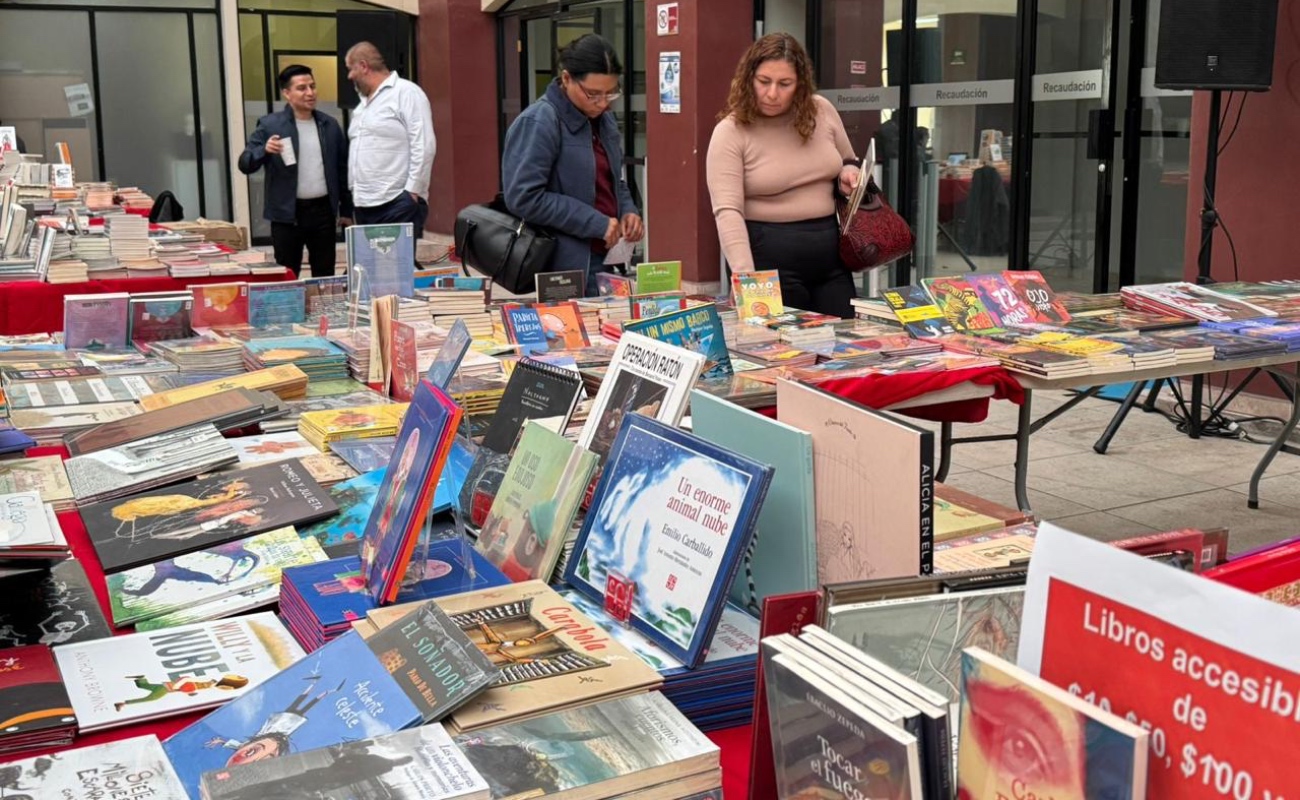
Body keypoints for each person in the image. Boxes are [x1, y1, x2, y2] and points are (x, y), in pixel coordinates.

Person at [706, 33, 861, 318]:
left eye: (785, 84)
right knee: (783, 355)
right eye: (764, 82)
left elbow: (848, 159)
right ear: (748, 78)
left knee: (845, 345)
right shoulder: (730, 132)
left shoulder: (821, 110)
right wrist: (745, 277)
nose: (772, 93)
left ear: (800, 85)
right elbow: (727, 210)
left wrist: (849, 173)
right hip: (768, 262)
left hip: (831, 260)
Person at [501, 34, 643, 296]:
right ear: (566, 79)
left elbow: (613, 180)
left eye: (610, 93)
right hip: (564, 263)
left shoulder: (605, 120)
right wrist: (594, 222)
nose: (602, 103)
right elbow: (523, 197)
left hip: (607, 257)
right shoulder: (539, 121)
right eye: (593, 94)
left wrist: (628, 209)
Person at [238, 65, 351, 278]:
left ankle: (323, 311)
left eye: (312, 86)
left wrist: (346, 210)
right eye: (302, 88)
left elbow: (342, 170)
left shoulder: (329, 125)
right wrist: (264, 150)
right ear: (287, 93)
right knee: (288, 273)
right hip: (287, 214)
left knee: (325, 274)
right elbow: (245, 163)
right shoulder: (270, 125)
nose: (310, 93)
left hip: (323, 212)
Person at [345, 41, 435, 245]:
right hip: (364, 204)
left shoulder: (406, 93)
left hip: (396, 202)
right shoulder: (362, 106)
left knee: (394, 272)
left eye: (350, 69)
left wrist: (412, 192)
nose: (349, 76)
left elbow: (424, 143)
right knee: (370, 272)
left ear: (363, 66)